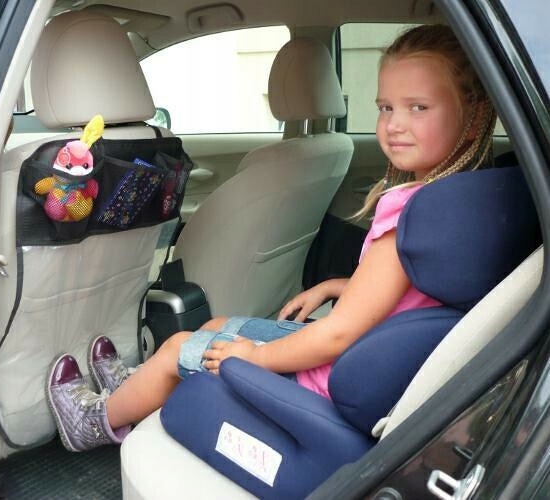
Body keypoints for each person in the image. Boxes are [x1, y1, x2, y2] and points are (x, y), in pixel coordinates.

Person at [46, 24, 497, 452]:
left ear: (473, 115)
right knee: (217, 326)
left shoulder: (408, 210)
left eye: (418, 108)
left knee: (179, 349)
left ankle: (93, 423)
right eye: (385, 108)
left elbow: (338, 334)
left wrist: (255, 359)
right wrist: (335, 285)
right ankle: (130, 390)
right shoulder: (461, 197)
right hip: (369, 357)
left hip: (328, 378)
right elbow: (412, 290)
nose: (394, 124)